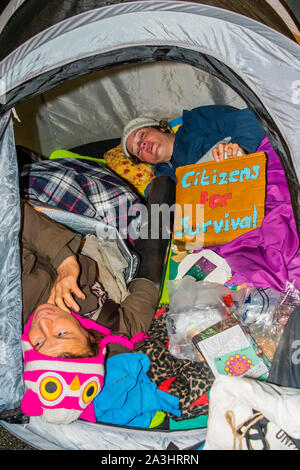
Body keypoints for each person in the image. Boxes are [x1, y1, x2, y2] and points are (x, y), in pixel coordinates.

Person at [20, 199, 159, 359]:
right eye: (61, 333)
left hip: (43, 228)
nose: (43, 323)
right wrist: (149, 279)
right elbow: (139, 310)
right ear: (93, 337)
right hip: (92, 252)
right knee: (133, 210)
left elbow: (10, 210)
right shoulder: (105, 328)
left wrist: (64, 261)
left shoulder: (18, 299)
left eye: (38, 343)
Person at [121, 105, 266, 195]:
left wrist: (240, 145)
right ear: (144, 161)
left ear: (160, 127)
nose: (143, 145)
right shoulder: (162, 180)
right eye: (138, 151)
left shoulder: (195, 121)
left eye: (142, 135)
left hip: (253, 179)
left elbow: (249, 118)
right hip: (222, 217)